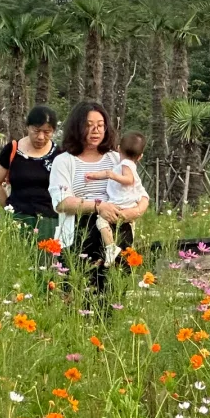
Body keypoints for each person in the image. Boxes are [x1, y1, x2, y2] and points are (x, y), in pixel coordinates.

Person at [48, 102, 149, 294]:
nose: (95, 130)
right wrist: (98, 206)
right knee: (80, 295)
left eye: (100, 125)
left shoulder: (115, 158)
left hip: (119, 229)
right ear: (77, 127)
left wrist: (133, 212)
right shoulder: (64, 161)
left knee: (114, 294)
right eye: (89, 125)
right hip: (81, 231)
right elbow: (61, 202)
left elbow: (141, 193)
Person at [0, 105, 59, 244]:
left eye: (47, 132)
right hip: (19, 218)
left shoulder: (59, 154)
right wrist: (10, 209)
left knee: (46, 263)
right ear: (27, 127)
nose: (40, 137)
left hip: (49, 221)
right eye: (36, 130)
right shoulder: (12, 149)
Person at [85, 130, 147, 266]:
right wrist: (95, 176)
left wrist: (112, 175)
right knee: (127, 231)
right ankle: (116, 254)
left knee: (101, 222)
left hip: (120, 204)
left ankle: (111, 248)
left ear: (118, 148)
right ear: (140, 156)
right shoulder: (130, 165)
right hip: (129, 206)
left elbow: (128, 180)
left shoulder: (126, 164)